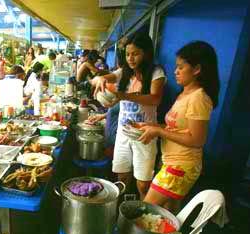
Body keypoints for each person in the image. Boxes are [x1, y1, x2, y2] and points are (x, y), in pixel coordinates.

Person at [140, 41, 219, 212]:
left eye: (180, 67)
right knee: (168, 214)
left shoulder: (199, 98)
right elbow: (176, 128)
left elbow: (197, 140)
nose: (175, 71)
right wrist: (152, 126)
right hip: (172, 161)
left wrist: (158, 130)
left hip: (181, 166)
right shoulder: (184, 94)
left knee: (144, 212)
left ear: (197, 69)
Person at [94, 32, 166, 199]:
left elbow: (155, 99)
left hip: (144, 135)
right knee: (122, 177)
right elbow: (105, 77)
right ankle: (121, 209)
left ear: (146, 53)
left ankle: (142, 213)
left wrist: (123, 95)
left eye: (135, 54)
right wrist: (100, 79)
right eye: (127, 54)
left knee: (143, 183)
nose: (130, 58)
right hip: (123, 134)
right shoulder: (124, 72)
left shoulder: (156, 72)